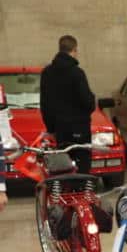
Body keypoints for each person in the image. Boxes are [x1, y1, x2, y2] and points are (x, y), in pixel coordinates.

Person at [40, 35, 95, 175]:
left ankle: (63, 188)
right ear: (74, 50)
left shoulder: (47, 73)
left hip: (59, 131)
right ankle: (81, 188)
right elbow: (88, 102)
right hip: (79, 129)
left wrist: (51, 128)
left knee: (61, 168)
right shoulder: (77, 73)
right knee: (82, 168)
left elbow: (44, 104)